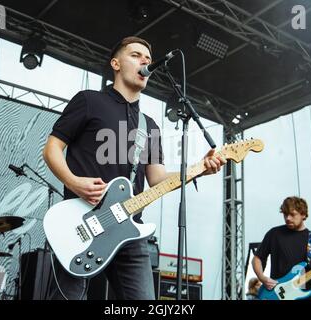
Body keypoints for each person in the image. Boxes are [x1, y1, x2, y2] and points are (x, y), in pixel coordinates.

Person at [42, 36, 226, 300]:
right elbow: (52, 149)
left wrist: (200, 169)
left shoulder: (149, 126)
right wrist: (73, 182)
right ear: (116, 63)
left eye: (148, 59)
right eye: (136, 55)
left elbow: (157, 179)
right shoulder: (88, 101)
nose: (145, 62)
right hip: (80, 222)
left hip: (129, 230)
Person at [252, 196, 311, 300]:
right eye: (285, 214)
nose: (288, 218)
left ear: (303, 214)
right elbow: (257, 258)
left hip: (310, 296)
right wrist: (262, 278)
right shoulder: (274, 234)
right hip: (279, 295)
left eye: (292, 214)